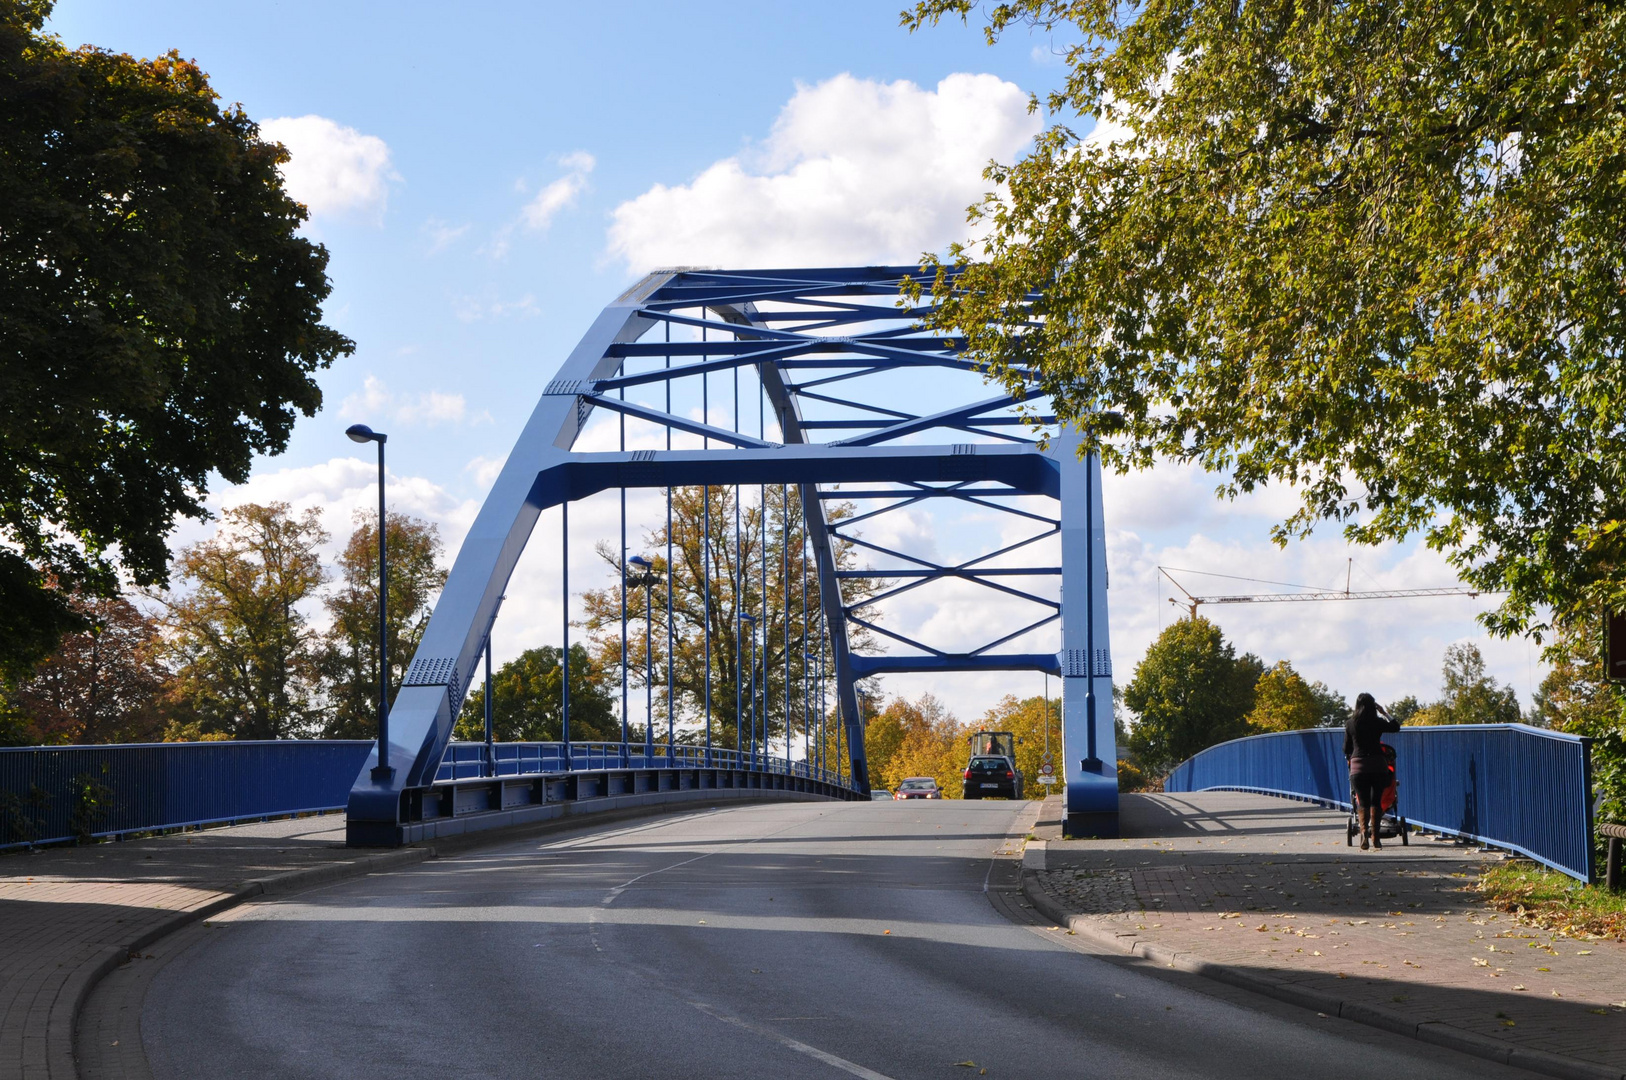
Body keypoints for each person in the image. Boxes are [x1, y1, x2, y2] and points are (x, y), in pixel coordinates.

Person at [1344, 692, 1401, 849]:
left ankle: (1364, 834)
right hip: (1377, 765)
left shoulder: (1350, 723)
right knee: (1376, 801)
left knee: (1362, 802)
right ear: (1373, 706)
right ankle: (1376, 837)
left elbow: (1346, 748)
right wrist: (1385, 713)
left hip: (1358, 767)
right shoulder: (1377, 722)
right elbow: (1396, 727)